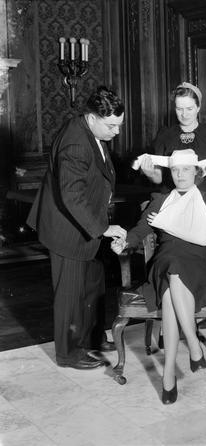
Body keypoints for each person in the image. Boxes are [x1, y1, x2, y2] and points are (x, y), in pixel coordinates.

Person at [26, 86, 127, 369]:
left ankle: (92, 338)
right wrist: (102, 228)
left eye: (119, 125)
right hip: (68, 231)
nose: (116, 132)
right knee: (71, 293)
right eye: (111, 126)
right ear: (92, 117)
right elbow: (72, 196)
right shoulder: (75, 143)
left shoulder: (89, 131)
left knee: (92, 285)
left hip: (85, 228)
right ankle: (68, 352)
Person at [111, 149, 206, 404]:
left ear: (196, 172)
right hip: (166, 258)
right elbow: (140, 229)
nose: (180, 175)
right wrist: (124, 243)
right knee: (172, 267)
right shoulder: (161, 199)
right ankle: (193, 345)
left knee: (170, 295)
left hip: (196, 262)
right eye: (176, 170)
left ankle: (168, 373)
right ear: (170, 172)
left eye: (186, 170)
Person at [139, 82, 206, 191]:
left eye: (189, 109)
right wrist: (150, 173)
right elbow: (158, 178)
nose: (184, 115)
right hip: (172, 197)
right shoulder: (165, 134)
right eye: (179, 109)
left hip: (203, 198)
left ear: (198, 107)